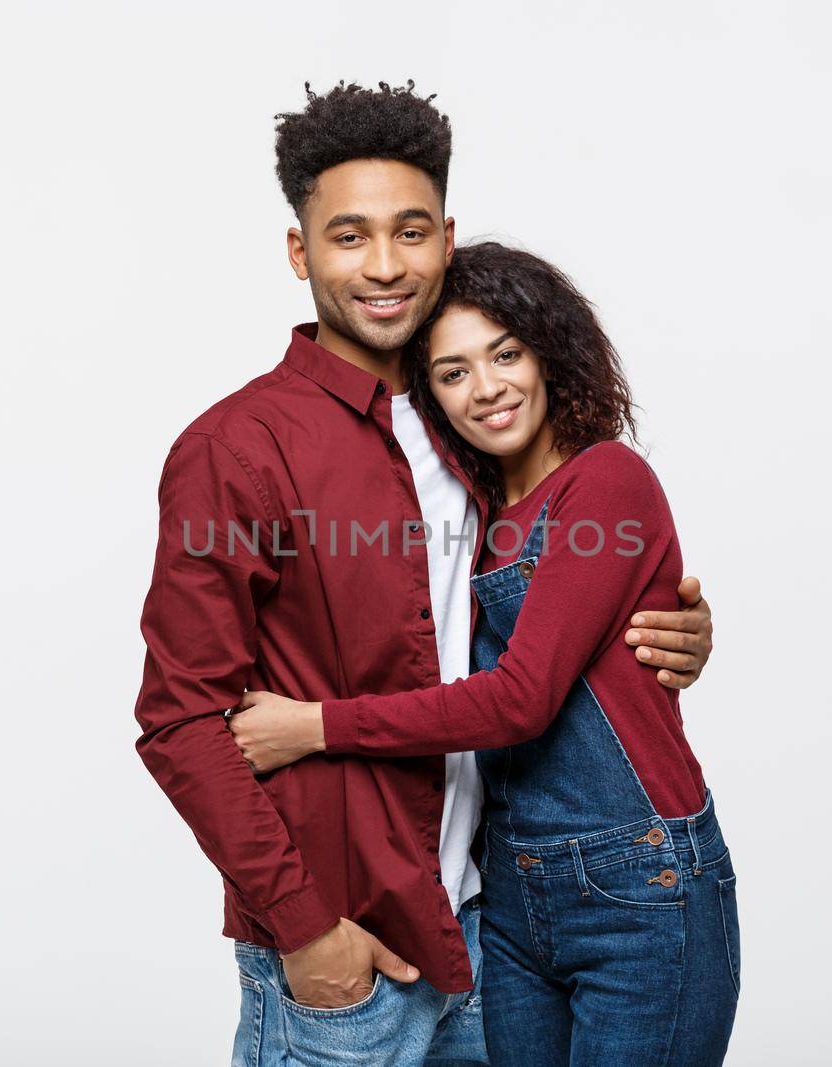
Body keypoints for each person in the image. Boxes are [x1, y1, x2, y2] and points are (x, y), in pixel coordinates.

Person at [132, 81, 715, 1067]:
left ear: (444, 238)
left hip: (490, 935)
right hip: (346, 952)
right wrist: (307, 925)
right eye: (349, 236)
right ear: (299, 252)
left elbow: (536, 625)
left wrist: (670, 626)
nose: (384, 265)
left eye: (408, 231)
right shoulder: (237, 446)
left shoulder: (465, 435)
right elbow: (181, 717)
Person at [228, 241, 741, 1065]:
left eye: (505, 353)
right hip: (510, 892)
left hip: (638, 885)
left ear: (549, 352)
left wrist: (315, 725)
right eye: (454, 371)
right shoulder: (473, 512)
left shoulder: (605, 480)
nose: (489, 386)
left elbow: (518, 699)